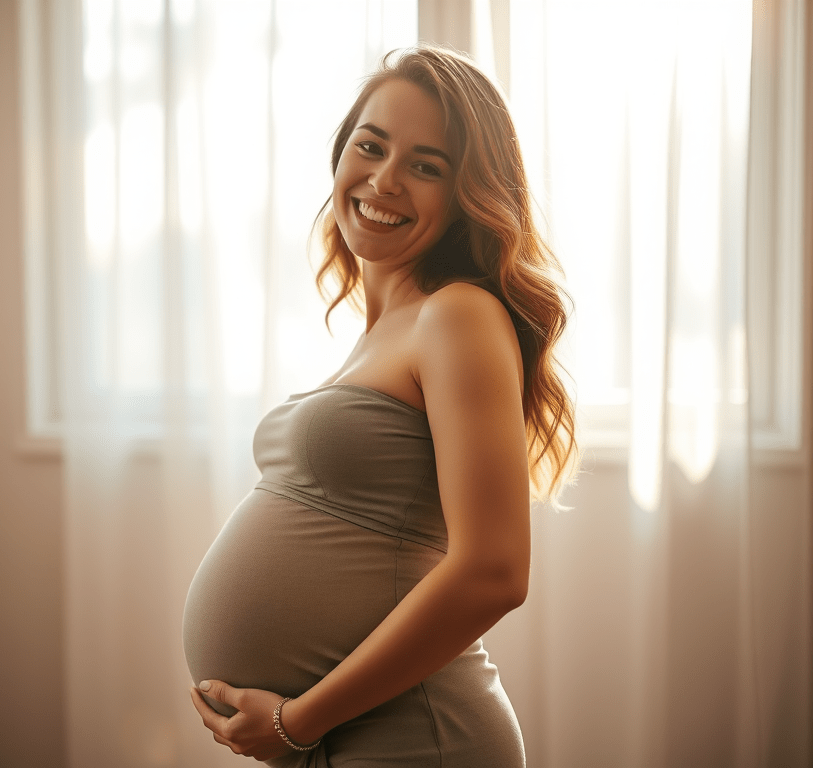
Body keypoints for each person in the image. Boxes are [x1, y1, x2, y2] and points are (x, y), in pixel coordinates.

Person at [182, 44, 576, 766]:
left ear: (470, 193)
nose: (385, 180)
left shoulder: (457, 314)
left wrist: (297, 721)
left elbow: (494, 570)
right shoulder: (387, 329)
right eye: (371, 146)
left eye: (427, 166)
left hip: (417, 739)